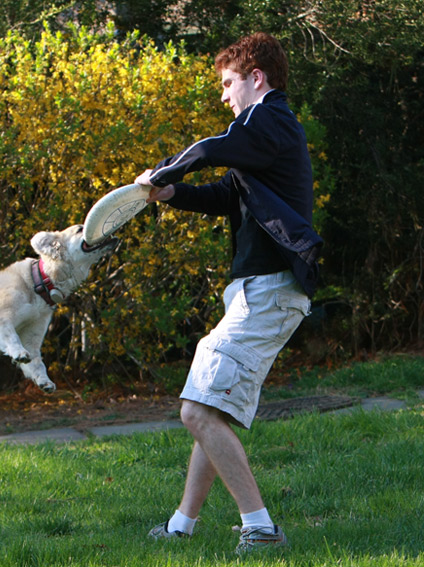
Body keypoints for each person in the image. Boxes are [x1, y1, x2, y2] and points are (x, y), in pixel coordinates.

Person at [134, 32, 322, 553]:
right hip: (256, 292)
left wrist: (162, 170)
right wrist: (174, 193)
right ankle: (181, 527)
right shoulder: (262, 135)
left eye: (227, 83)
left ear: (255, 78)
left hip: (268, 293)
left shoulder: (270, 119)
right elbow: (228, 195)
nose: (223, 95)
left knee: (195, 411)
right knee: (208, 410)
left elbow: (212, 150)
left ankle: (260, 530)